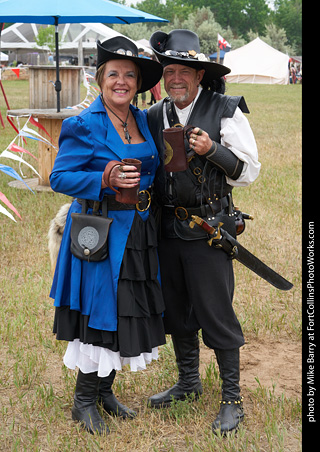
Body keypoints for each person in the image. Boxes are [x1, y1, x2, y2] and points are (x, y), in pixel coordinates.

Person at [49, 36, 165, 435]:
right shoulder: (82, 124)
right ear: (100, 79)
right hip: (100, 235)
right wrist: (104, 177)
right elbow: (59, 177)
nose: (122, 81)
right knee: (100, 314)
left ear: (138, 83)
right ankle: (84, 401)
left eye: (130, 75)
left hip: (139, 232)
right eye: (113, 74)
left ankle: (105, 393)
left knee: (125, 311)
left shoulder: (143, 118)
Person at [146, 29, 261, 435]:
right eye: (169, 71)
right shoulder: (153, 114)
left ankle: (232, 399)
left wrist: (212, 149)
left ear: (199, 75)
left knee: (216, 313)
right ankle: (189, 383)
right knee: (176, 311)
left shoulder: (225, 110)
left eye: (184, 72)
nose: (176, 79)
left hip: (209, 229)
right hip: (166, 230)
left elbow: (249, 171)